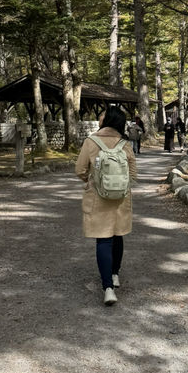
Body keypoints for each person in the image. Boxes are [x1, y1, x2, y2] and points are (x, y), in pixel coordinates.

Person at [75, 107, 137, 306]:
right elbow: (134, 173)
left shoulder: (91, 142)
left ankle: (108, 288)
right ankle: (115, 274)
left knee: (103, 240)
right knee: (117, 234)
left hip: (97, 197)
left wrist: (91, 180)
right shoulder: (125, 144)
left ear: (105, 120)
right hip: (120, 198)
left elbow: (80, 169)